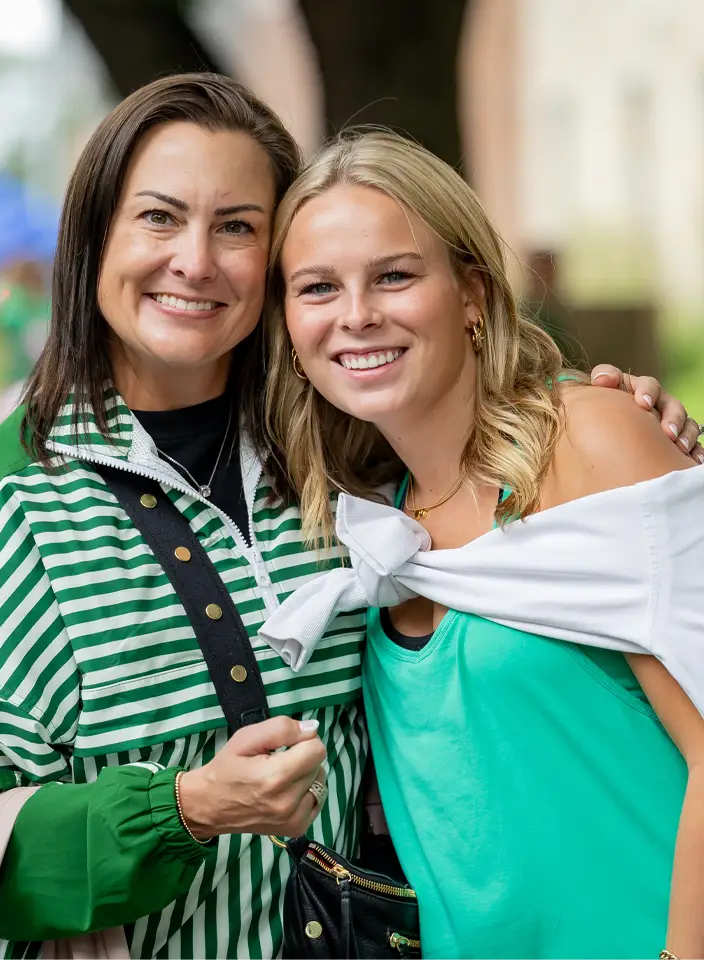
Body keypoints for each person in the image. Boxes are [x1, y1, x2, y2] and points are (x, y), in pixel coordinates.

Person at [0, 76, 696, 959]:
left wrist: (627, 422)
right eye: (156, 217)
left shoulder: (349, 464)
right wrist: (180, 809)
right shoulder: (1, 499)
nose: (195, 259)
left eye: (237, 227)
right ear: (91, 238)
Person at [261, 129, 704, 959]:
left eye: (394, 275)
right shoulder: (371, 519)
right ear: (286, 322)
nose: (357, 314)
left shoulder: (590, 443)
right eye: (318, 287)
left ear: (471, 292)